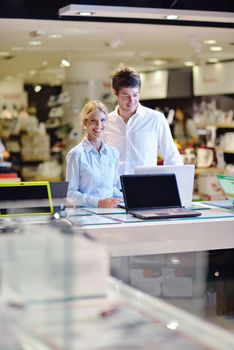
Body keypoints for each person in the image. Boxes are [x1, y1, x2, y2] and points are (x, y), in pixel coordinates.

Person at [104, 66, 183, 176]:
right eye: (126, 95)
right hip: (113, 190)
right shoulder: (105, 122)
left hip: (146, 188)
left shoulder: (156, 119)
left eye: (135, 95)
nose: (131, 100)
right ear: (114, 92)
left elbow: (173, 159)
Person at [66, 100, 122, 208]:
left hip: (110, 216)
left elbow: (112, 188)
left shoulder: (113, 153)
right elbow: (70, 194)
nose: (99, 125)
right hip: (85, 218)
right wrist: (98, 202)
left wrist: (130, 198)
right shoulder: (76, 154)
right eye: (93, 121)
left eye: (102, 120)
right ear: (85, 123)